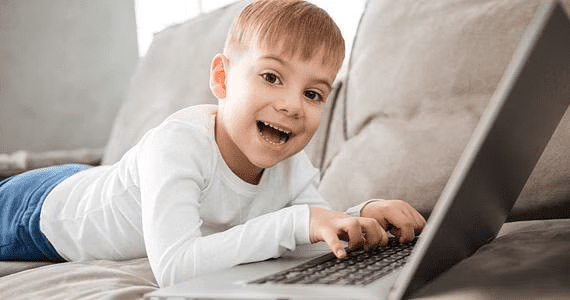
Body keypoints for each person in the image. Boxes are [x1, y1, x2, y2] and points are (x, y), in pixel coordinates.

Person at [0, 0, 426, 287]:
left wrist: (361, 216)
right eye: (272, 77)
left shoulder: (292, 165)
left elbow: (309, 231)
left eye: (312, 94)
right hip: (43, 211)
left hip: (98, 183)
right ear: (222, 79)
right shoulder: (179, 144)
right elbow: (174, 267)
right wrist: (299, 220)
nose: (292, 106)